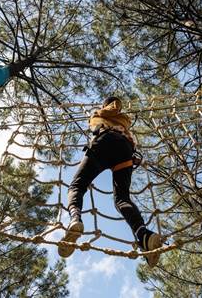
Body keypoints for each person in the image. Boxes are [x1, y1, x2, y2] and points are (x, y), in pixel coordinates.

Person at [58, 96, 162, 267]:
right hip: (125, 151)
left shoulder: (100, 114)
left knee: (77, 185)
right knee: (122, 199)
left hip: (104, 142)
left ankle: (75, 219)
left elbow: (110, 110)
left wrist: (101, 110)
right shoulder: (125, 121)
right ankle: (145, 236)